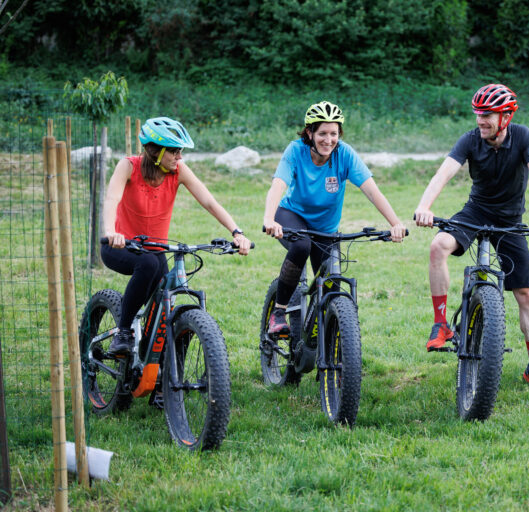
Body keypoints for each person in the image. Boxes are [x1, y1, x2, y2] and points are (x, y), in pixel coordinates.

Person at [413, 83, 529, 392]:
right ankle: (441, 325)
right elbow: (443, 174)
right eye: (478, 114)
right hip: (476, 211)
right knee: (438, 245)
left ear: (506, 117)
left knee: (525, 295)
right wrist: (424, 206)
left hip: (509, 220)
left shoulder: (522, 137)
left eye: (488, 115)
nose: (481, 120)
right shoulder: (470, 140)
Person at [102, 116, 252, 357]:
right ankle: (123, 331)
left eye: (180, 151)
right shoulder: (128, 166)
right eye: (174, 151)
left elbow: (209, 201)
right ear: (155, 151)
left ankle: (163, 376)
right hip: (120, 245)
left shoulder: (178, 171)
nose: (179, 157)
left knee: (164, 299)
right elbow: (111, 199)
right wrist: (111, 231)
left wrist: (237, 232)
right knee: (149, 263)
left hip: (155, 249)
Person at [263, 101, 406, 333]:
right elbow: (278, 184)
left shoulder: (345, 154)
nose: (328, 140)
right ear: (309, 133)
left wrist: (395, 223)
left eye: (334, 133)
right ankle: (278, 313)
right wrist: (269, 218)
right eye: (322, 133)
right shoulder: (295, 151)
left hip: (326, 229)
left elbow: (371, 190)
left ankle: (326, 348)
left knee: (331, 287)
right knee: (301, 246)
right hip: (291, 216)